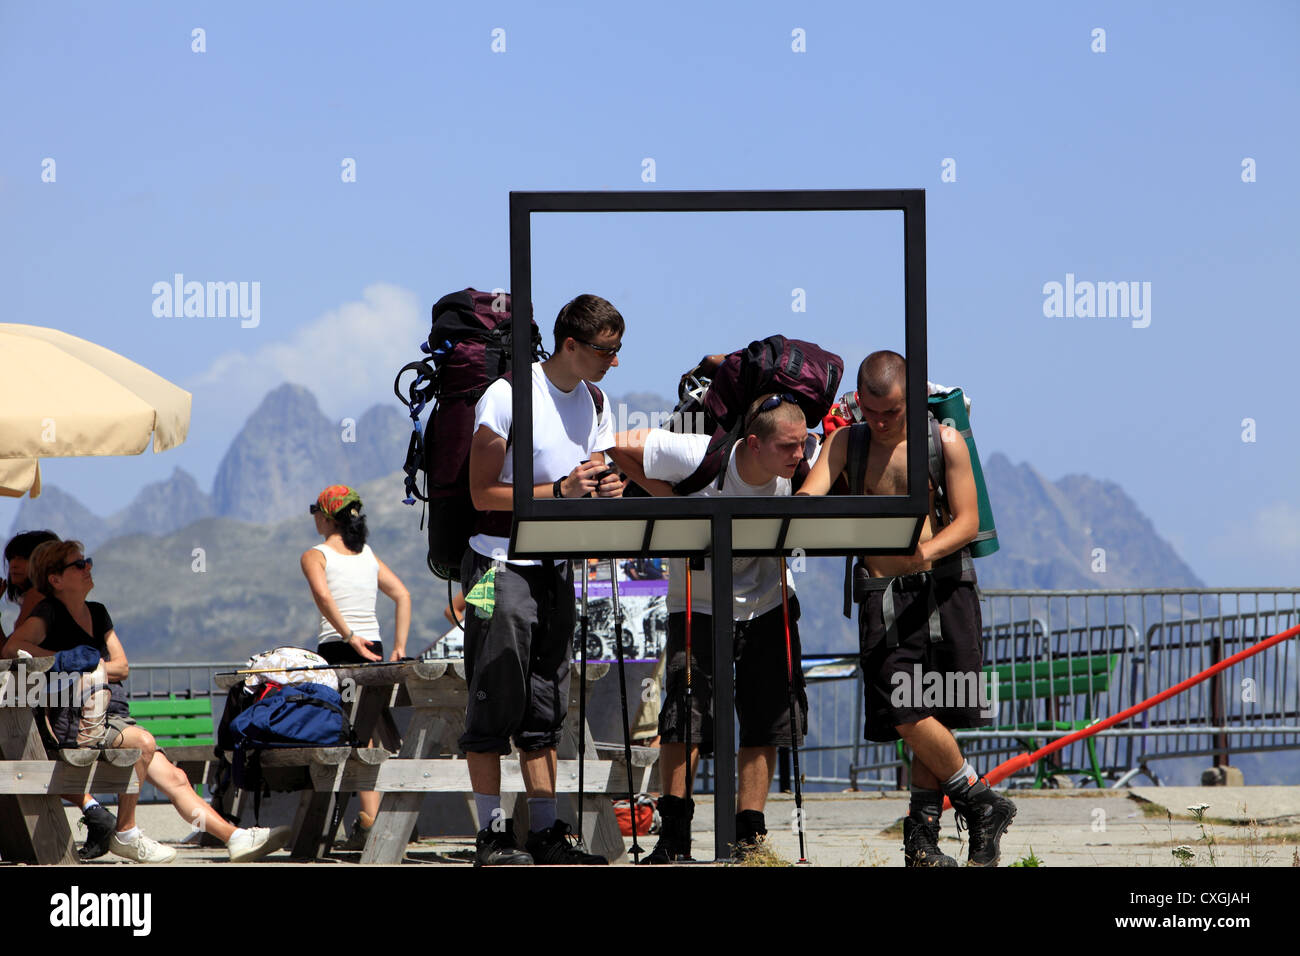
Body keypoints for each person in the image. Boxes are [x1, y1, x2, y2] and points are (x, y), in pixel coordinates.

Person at [798, 350, 1016, 866]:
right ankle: (981, 800)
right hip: (882, 595)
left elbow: (967, 520)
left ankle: (922, 838)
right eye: (871, 411)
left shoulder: (944, 442)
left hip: (943, 589)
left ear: (911, 401)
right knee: (903, 708)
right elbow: (809, 498)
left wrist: (923, 553)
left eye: (891, 413)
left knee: (934, 709)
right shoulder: (845, 443)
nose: (880, 421)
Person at [610, 392, 810, 862]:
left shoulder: (800, 465)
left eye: (803, 444)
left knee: (767, 719)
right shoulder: (701, 454)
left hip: (769, 603)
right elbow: (616, 444)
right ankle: (675, 835)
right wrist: (674, 505)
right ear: (754, 443)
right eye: (788, 447)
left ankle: (749, 840)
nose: (799, 455)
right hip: (695, 603)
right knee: (685, 717)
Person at [2, 539, 291, 864]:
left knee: (177, 778)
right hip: (75, 722)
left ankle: (235, 839)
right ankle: (126, 832)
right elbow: (12, 648)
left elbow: (122, 665)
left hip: (112, 716)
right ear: (55, 579)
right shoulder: (49, 613)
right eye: (79, 564)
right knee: (142, 743)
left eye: (88, 561)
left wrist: (91, 666)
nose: (89, 568)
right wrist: (64, 658)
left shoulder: (97, 613)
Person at [462, 293, 625, 866]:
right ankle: (492, 835)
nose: (614, 360)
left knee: (545, 702)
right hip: (493, 566)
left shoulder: (597, 400)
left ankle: (548, 834)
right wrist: (559, 492)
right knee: (491, 695)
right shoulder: (507, 396)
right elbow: (482, 493)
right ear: (571, 345)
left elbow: (599, 472)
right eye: (606, 350)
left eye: (619, 349)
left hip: (555, 568)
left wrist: (608, 489)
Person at [300, 484, 411, 849]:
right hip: (374, 652)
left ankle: (361, 824)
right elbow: (402, 594)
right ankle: (370, 822)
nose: (314, 516)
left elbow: (322, 596)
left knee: (345, 735)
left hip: (339, 651)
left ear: (328, 516)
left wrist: (348, 636)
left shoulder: (315, 555)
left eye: (316, 510)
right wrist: (397, 648)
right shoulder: (367, 555)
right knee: (367, 735)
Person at [2, 529, 117, 859]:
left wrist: (64, 662)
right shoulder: (45, 606)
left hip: (55, 707)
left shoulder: (42, 603)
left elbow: (8, 651)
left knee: (20, 746)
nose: (12, 567)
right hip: (59, 707)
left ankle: (104, 818)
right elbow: (10, 650)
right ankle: (100, 814)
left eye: (18, 558)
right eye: (9, 559)